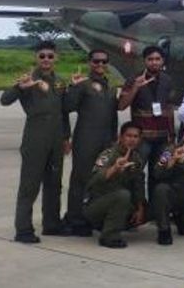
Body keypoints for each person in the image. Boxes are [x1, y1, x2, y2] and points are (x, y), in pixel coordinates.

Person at [2, 40, 70, 242]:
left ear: (55, 58)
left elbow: (63, 112)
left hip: (56, 139)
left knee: (54, 184)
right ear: (36, 58)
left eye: (50, 56)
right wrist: (19, 87)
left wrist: (66, 137)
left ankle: (51, 224)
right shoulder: (28, 80)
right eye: (42, 56)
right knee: (29, 185)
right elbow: (5, 100)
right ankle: (23, 229)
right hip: (35, 138)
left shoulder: (59, 81)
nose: (46, 60)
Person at [63, 48, 119, 236]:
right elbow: (68, 106)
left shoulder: (110, 87)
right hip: (86, 139)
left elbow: (113, 116)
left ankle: (93, 216)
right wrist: (74, 86)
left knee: (101, 179)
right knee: (81, 179)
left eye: (104, 61)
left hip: (105, 140)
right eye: (96, 61)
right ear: (90, 63)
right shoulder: (83, 84)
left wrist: (113, 139)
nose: (100, 65)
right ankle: (75, 218)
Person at [117, 45, 176, 188]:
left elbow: (169, 109)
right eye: (150, 59)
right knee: (135, 174)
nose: (154, 62)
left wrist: (172, 135)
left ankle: (154, 209)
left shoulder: (167, 80)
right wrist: (136, 87)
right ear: (145, 61)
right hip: (142, 139)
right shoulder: (133, 79)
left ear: (163, 61)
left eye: (158, 59)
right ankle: (138, 207)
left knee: (159, 175)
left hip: (162, 139)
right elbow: (121, 106)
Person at [84, 122, 146, 249]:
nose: (132, 140)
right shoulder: (108, 154)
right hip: (97, 204)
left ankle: (120, 224)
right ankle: (109, 236)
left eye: (135, 137)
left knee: (150, 207)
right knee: (123, 195)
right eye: (128, 136)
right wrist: (115, 168)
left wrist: (140, 209)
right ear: (121, 137)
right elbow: (94, 180)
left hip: (119, 204)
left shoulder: (136, 158)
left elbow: (138, 185)